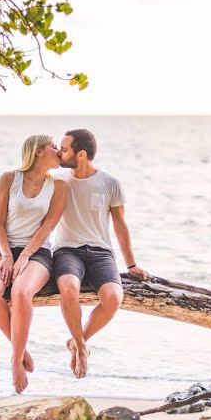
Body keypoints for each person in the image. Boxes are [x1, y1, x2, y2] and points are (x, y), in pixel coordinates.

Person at [53, 129, 148, 378]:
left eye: (64, 149)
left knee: (113, 298)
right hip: (67, 250)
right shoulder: (57, 180)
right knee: (69, 287)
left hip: (100, 252)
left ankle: (77, 341)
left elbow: (120, 225)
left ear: (81, 154)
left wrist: (132, 264)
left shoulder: (110, 183)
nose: (59, 153)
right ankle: (82, 348)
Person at [0, 135, 68, 394]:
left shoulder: (59, 186)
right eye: (54, 147)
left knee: (20, 292)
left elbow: (48, 226)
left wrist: (26, 255)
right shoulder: (9, 178)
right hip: (3, 246)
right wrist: (7, 255)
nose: (59, 152)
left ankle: (15, 360)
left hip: (37, 252)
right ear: (39, 151)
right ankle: (21, 348)